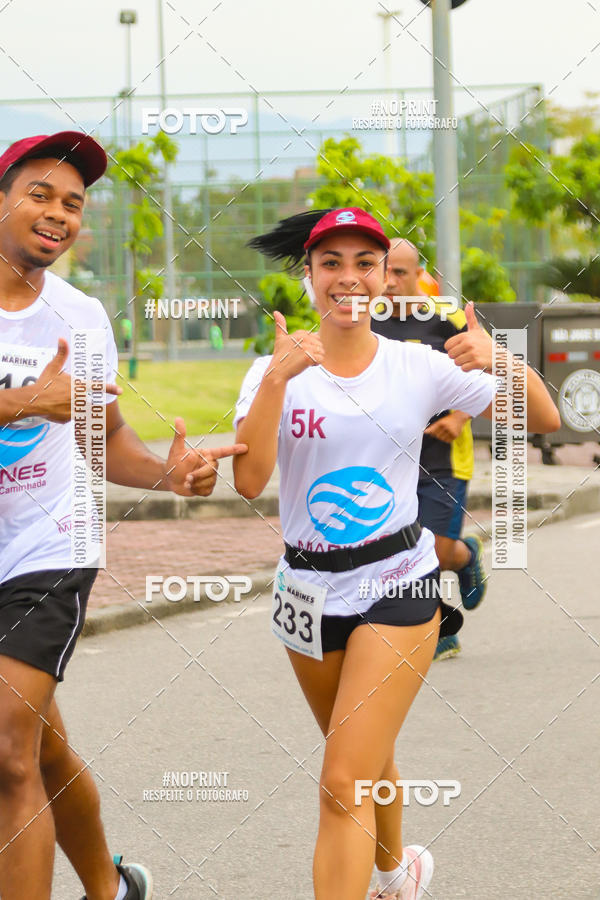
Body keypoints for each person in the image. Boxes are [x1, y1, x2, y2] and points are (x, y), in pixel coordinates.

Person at [233, 207, 560, 900]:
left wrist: (500, 357)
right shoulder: (274, 370)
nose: (348, 278)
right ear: (309, 276)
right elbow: (249, 480)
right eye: (331, 264)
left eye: (364, 263)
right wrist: (274, 381)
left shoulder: (419, 366)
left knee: (342, 780)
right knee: (362, 755)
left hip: (398, 581)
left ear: (385, 278)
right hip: (306, 590)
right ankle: (394, 873)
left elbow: (544, 419)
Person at [0, 131, 246, 900]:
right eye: (40, 193)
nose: (59, 214)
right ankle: (110, 889)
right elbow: (36, 405)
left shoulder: (81, 317)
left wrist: (171, 474)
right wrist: (19, 400)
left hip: (48, 542)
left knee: (6, 751)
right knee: (38, 749)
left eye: (74, 204)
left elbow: (102, 441)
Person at [371, 238, 485, 661]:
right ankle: (439, 630)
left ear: (419, 273)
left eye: (402, 272)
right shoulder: (368, 320)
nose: (392, 282)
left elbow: (484, 371)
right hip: (389, 461)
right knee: (404, 548)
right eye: (385, 272)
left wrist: (459, 416)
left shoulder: (446, 318)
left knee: (435, 548)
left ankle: (464, 553)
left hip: (444, 460)